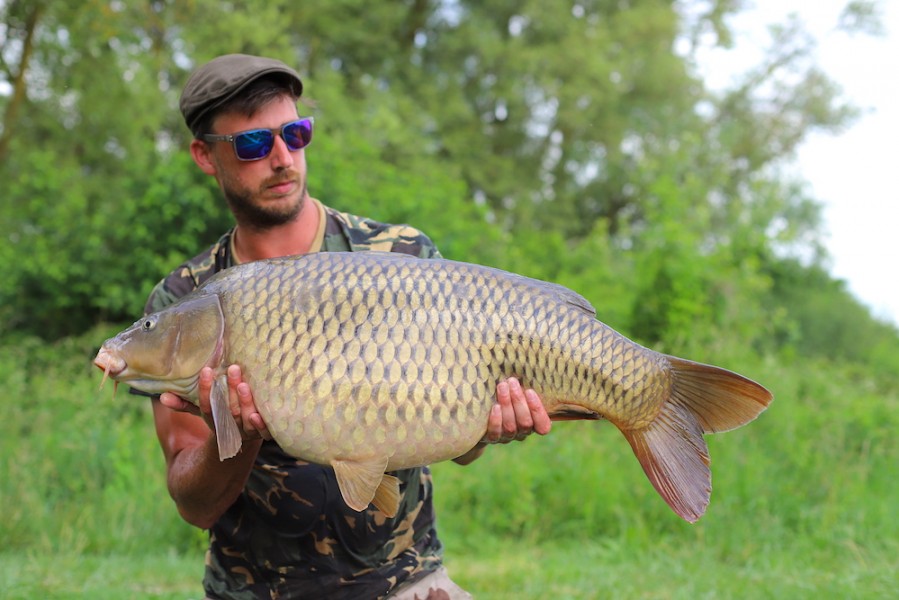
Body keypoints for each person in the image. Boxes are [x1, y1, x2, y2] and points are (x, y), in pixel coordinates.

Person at [144, 53, 552, 600]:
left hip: (403, 580)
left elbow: (454, 435)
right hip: (253, 590)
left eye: (296, 133)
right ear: (205, 155)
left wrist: (489, 427)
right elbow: (194, 505)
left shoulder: (399, 254)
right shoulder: (185, 300)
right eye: (252, 145)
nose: (283, 158)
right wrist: (234, 435)